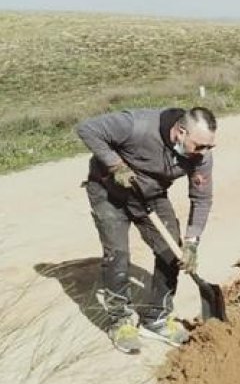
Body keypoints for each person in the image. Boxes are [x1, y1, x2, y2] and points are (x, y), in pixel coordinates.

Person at [75, 107, 217, 353]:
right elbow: (87, 129)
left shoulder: (201, 157)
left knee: (171, 254)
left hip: (150, 196)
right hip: (108, 192)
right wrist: (116, 165)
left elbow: (201, 199)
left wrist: (192, 242)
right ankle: (120, 321)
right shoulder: (137, 126)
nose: (204, 152)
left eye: (209, 146)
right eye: (200, 145)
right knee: (118, 255)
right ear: (181, 132)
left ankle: (156, 319)